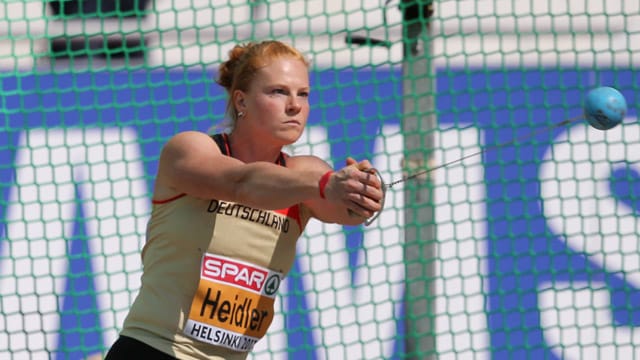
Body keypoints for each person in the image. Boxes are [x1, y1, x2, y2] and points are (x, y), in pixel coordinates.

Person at [105, 40, 383, 359]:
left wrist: (363, 192)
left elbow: (345, 212)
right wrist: (325, 184)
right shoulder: (189, 149)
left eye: (302, 94)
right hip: (152, 350)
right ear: (241, 101)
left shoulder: (304, 173)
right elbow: (242, 183)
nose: (294, 105)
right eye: (278, 92)